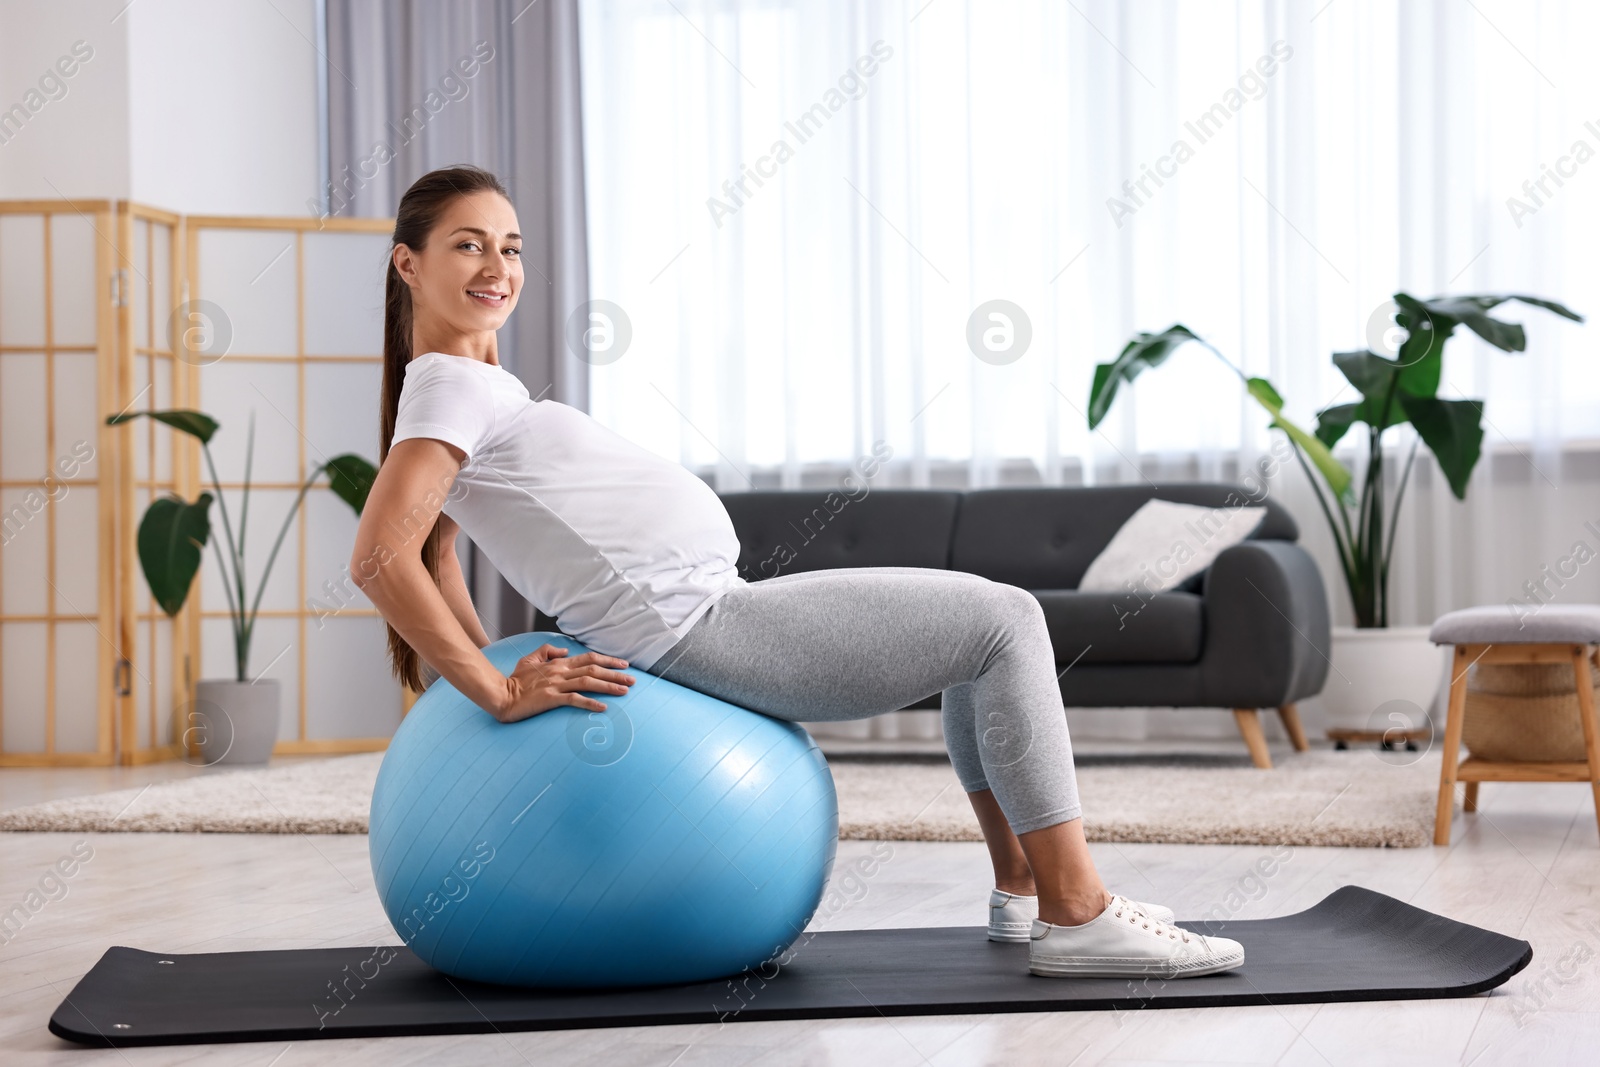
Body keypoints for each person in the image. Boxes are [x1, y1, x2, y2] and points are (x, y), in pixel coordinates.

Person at [352, 164, 1244, 980]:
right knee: (1004, 621)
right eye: (467, 244)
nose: (496, 266)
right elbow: (381, 555)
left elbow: (435, 548)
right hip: (697, 628)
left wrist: (483, 663)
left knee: (985, 632)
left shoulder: (468, 384)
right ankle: (1077, 910)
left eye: (509, 247)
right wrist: (493, 691)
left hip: (708, 612)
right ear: (408, 264)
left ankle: (1025, 890)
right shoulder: (450, 387)